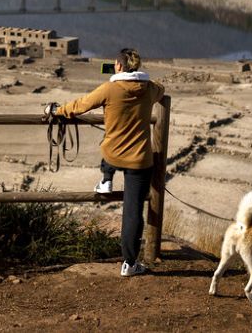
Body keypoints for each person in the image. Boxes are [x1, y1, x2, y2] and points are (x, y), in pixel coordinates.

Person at [46, 48, 164, 277]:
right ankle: (130, 264)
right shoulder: (149, 89)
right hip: (140, 160)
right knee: (133, 212)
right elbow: (161, 89)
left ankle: (106, 180)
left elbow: (81, 105)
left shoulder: (109, 88)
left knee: (108, 144)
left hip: (113, 154)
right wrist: (144, 79)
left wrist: (57, 110)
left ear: (118, 66)